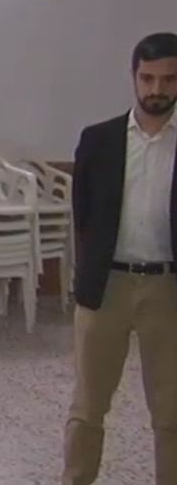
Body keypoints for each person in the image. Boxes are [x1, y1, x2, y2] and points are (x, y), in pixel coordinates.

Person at [63, 31, 177, 485]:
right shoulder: (100, 140)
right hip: (106, 286)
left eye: (168, 79)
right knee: (88, 407)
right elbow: (83, 214)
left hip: (167, 290)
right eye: (147, 78)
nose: (156, 90)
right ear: (133, 78)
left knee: (170, 410)